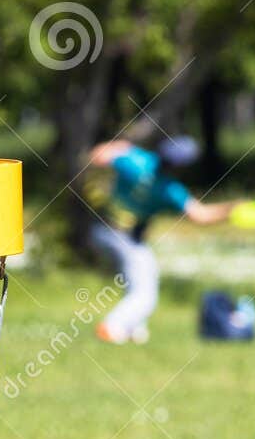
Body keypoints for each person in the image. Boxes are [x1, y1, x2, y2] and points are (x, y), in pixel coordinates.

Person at [85, 135, 243, 344]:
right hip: (125, 236)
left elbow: (96, 155)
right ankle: (112, 327)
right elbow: (201, 215)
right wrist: (232, 209)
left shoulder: (136, 160)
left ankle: (133, 329)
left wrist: (122, 147)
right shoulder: (170, 190)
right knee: (145, 296)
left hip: (101, 228)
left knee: (142, 275)